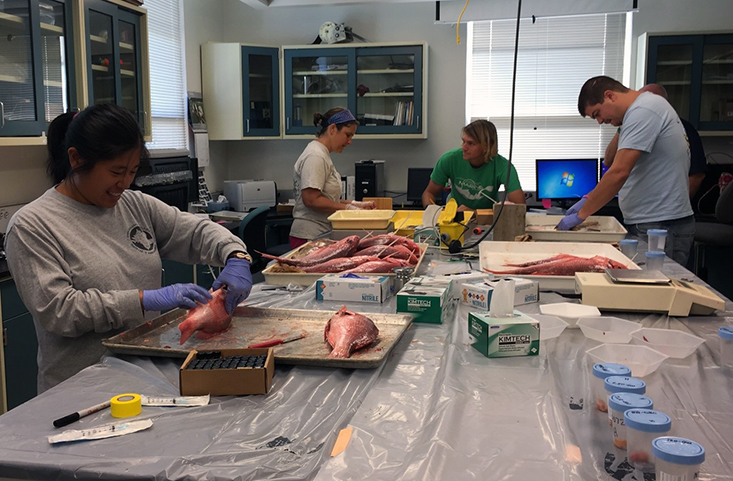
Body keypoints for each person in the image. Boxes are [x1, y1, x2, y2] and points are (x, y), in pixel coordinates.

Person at [3, 104, 253, 393]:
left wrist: (235, 255)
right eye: (116, 171)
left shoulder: (133, 205)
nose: (124, 183)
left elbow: (194, 230)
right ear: (75, 159)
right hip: (82, 389)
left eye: (132, 171)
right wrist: (143, 300)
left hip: (147, 375)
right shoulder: (33, 226)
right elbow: (60, 311)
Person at [559, 76, 695, 265]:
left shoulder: (644, 110)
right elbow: (610, 160)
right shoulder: (637, 112)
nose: (600, 121)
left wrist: (582, 214)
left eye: (597, 113)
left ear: (610, 96)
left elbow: (618, 172)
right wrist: (587, 199)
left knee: (656, 289)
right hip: (649, 220)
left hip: (660, 223)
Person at [289, 107, 375, 249]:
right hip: (309, 236)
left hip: (319, 233)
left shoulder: (322, 154)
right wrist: (347, 209)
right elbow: (311, 199)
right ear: (333, 129)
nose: (349, 142)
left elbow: (325, 197)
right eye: (347, 135)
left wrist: (355, 204)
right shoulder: (315, 156)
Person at [604, 83, 707, 198]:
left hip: (666, 209)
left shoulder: (683, 129)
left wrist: (676, 205)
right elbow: (609, 161)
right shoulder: (633, 126)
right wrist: (623, 125)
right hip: (638, 208)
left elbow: (696, 175)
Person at [421, 119, 525, 211]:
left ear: (487, 146)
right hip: (454, 218)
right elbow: (428, 193)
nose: (464, 147)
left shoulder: (503, 167)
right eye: (463, 141)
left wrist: (474, 213)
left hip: (487, 221)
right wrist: (432, 212)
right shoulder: (449, 159)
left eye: (471, 143)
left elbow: (519, 208)